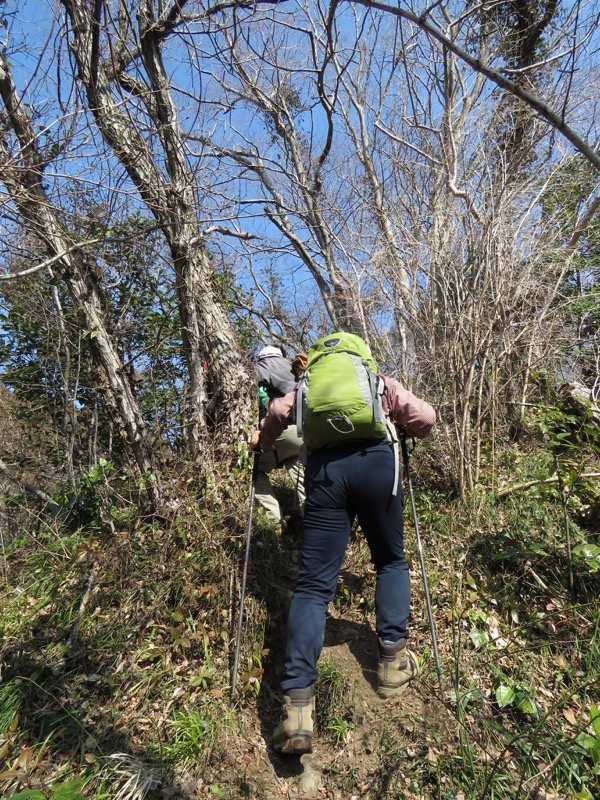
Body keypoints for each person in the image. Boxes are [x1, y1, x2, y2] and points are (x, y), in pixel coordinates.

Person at [250, 334, 436, 755]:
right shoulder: (377, 381)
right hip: (376, 467)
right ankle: (391, 664)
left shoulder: (306, 386)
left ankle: (297, 709)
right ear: (360, 355)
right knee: (390, 560)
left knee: (315, 586)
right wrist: (406, 423)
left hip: (326, 478)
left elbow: (277, 414)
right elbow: (425, 418)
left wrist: (260, 440)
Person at [253, 346, 305, 524]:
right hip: (300, 434)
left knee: (254, 470)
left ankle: (273, 521)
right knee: (305, 485)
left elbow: (252, 381)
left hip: (277, 431)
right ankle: (316, 526)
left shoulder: (264, 364)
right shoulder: (293, 368)